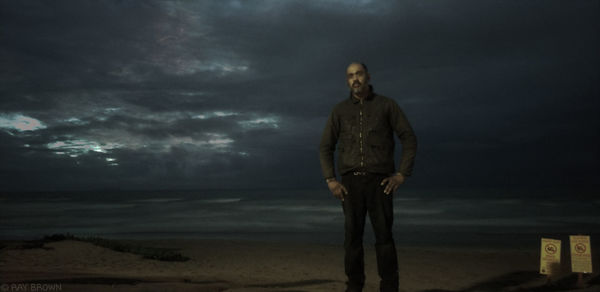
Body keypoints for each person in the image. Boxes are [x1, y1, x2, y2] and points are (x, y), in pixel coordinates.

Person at [319, 62, 417, 292]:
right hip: (350, 184)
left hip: (380, 182)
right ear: (347, 80)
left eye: (359, 74)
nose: (355, 79)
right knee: (352, 240)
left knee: (384, 238)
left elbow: (409, 138)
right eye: (350, 75)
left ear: (368, 76)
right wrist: (330, 180)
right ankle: (354, 287)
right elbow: (325, 147)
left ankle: (389, 288)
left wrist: (402, 174)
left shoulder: (386, 105)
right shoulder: (340, 110)